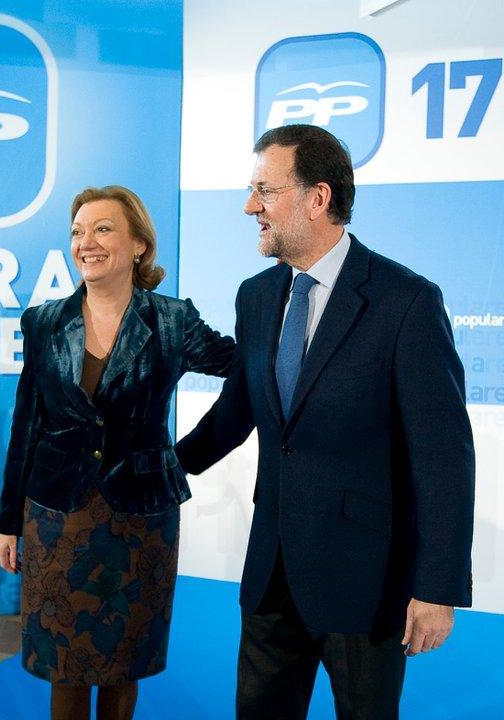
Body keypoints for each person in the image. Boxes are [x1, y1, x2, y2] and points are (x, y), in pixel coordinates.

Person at [175, 124, 475, 720]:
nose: (249, 206)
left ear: (318, 198)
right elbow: (237, 410)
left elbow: (443, 456)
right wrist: (159, 467)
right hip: (271, 573)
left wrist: (437, 587)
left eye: (265, 190)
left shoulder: (406, 300)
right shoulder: (256, 295)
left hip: (365, 583)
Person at [0, 185, 234, 720]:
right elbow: (27, 424)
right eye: (78, 232)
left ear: (139, 245)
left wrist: (189, 453)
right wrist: (8, 522)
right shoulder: (43, 322)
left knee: (125, 659)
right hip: (58, 515)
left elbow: (248, 373)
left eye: (103, 229)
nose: (87, 243)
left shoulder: (172, 320)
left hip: (140, 514)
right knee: (64, 660)